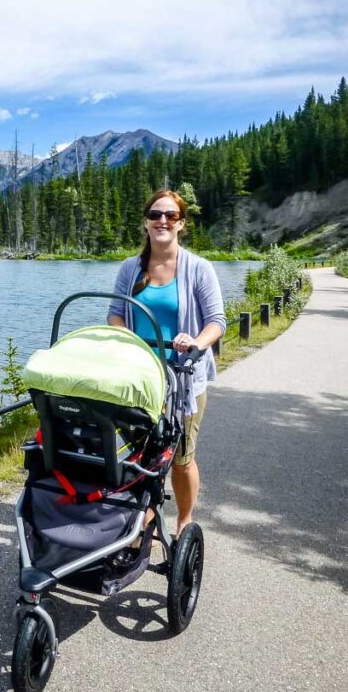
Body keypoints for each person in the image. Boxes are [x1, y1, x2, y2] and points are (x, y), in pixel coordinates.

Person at [107, 189, 226, 535]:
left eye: (170, 216)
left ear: (181, 224)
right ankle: (143, 514)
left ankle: (184, 520)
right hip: (140, 377)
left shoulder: (198, 269)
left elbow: (217, 321)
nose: (162, 221)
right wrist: (125, 337)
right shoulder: (131, 268)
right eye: (156, 214)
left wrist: (196, 342)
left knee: (181, 456)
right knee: (142, 454)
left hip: (183, 376)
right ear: (145, 222)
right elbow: (115, 314)